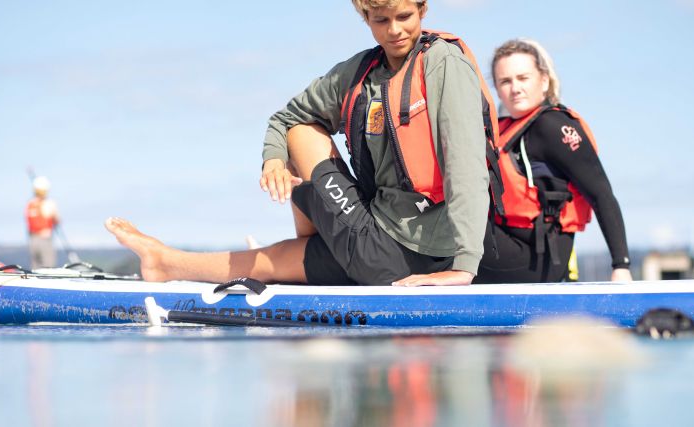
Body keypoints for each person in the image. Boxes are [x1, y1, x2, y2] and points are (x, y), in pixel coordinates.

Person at [105, 0, 492, 286]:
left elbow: (468, 166)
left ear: (423, 10)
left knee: (301, 137)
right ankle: (165, 262)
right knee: (276, 256)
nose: (394, 30)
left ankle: (325, 237)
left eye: (404, 17)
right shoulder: (361, 71)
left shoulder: (443, 64)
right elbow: (284, 118)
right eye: (381, 20)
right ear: (366, 19)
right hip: (376, 240)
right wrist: (272, 160)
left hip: (404, 254)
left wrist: (463, 268)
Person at [477, 39, 632, 283]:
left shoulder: (554, 127)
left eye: (523, 78)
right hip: (506, 243)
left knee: (445, 225)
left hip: (537, 258)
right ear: (496, 88)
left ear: (544, 81)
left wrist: (620, 265)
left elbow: (601, 194)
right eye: (505, 81)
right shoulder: (502, 130)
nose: (515, 88)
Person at [26, 176, 59, 269]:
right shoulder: (49, 203)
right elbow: (56, 219)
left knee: (35, 268)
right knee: (48, 268)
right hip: (45, 239)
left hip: (32, 240)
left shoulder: (30, 204)